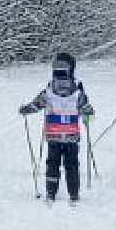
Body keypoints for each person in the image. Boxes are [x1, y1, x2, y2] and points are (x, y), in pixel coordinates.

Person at [20, 52, 93, 204]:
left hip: (53, 134)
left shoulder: (49, 90)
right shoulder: (77, 90)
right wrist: (87, 114)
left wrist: (26, 109)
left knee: (52, 163)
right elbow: (86, 109)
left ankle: (51, 192)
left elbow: (37, 104)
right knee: (72, 164)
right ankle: (74, 193)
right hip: (71, 135)